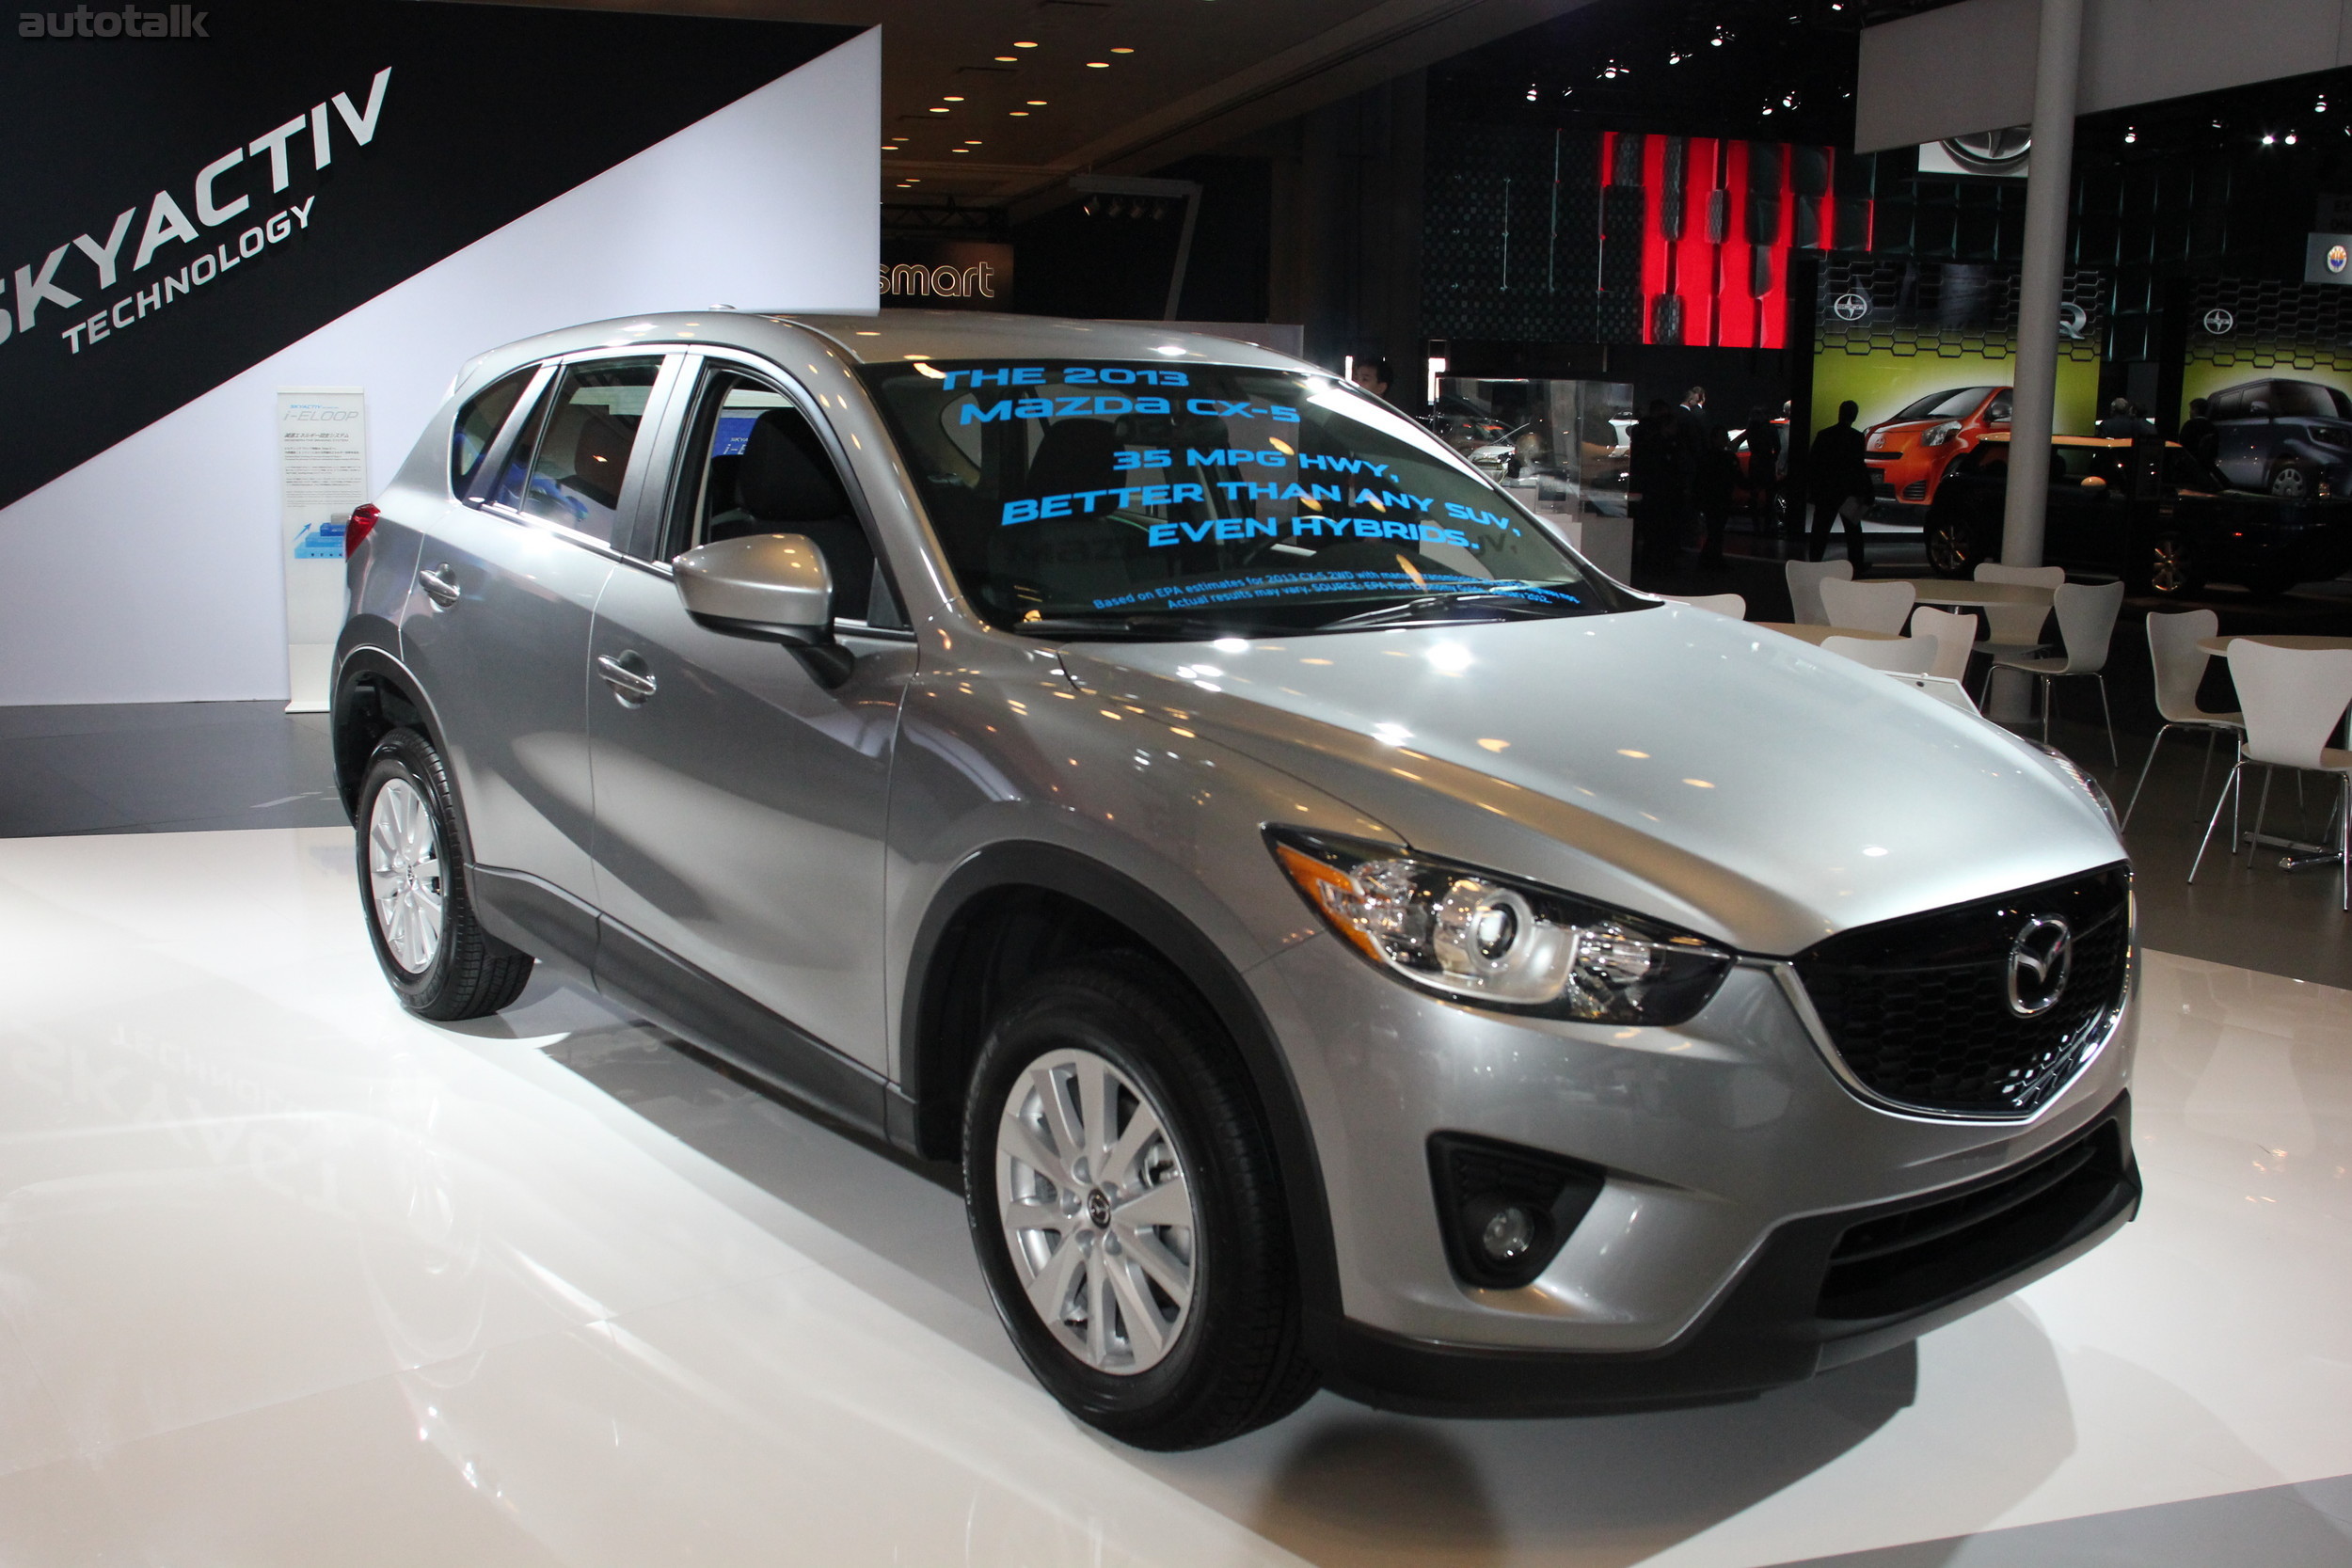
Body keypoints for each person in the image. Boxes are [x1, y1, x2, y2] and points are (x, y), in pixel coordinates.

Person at [1806, 400, 1873, 574]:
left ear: (1839, 413)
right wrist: (1864, 491)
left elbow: (1813, 464)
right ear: (1854, 416)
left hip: (1827, 491)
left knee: (1820, 531)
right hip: (1849, 492)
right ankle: (1856, 565)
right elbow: (1858, 466)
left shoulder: (1824, 435)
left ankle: (1814, 562)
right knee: (1853, 532)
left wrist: (1814, 489)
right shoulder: (1857, 437)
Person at [1627, 399, 1684, 575]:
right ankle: (1652, 564)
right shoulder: (1658, 443)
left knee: (1647, 530)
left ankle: (1645, 563)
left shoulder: (1647, 437)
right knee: (1654, 530)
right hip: (1656, 491)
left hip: (1650, 490)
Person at [1695, 428, 1740, 569]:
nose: (1726, 439)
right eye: (1723, 436)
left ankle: (1709, 558)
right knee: (1716, 530)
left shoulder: (1708, 457)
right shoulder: (1724, 458)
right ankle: (1711, 559)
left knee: (1716, 530)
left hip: (1716, 498)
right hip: (1716, 498)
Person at [1736, 404, 1782, 540]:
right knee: (1769, 497)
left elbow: (1736, 442)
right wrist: (1773, 458)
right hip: (1767, 463)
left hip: (1755, 464)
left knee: (1754, 496)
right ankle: (1767, 527)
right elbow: (1778, 447)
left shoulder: (1751, 429)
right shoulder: (1770, 428)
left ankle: (1756, 527)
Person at [2177, 397, 2218, 466]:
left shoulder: (2189, 425)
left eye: (2191, 409)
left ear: (2196, 410)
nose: (2190, 412)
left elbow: (2183, 443)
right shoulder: (2212, 427)